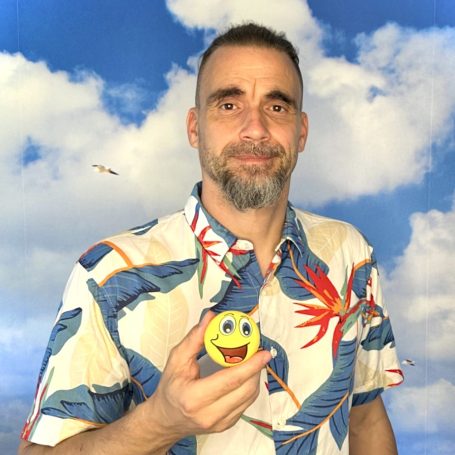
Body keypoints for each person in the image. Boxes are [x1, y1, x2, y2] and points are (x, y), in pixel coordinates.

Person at [19, 23, 403, 455]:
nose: (255, 129)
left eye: (277, 107)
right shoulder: (110, 273)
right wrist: (158, 423)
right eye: (229, 104)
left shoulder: (351, 254)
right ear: (194, 128)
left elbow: (366, 418)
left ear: (301, 132)